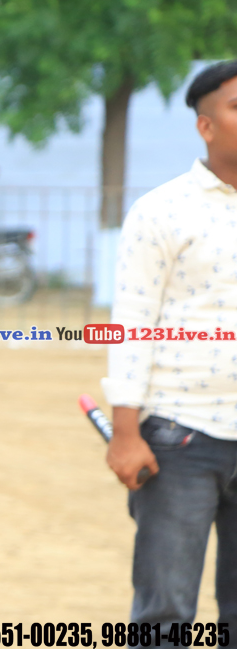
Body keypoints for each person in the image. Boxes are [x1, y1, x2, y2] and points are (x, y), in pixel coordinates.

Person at [102, 59, 237, 629]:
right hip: (180, 436)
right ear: (206, 126)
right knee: (165, 616)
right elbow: (132, 324)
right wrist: (125, 432)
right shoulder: (161, 211)